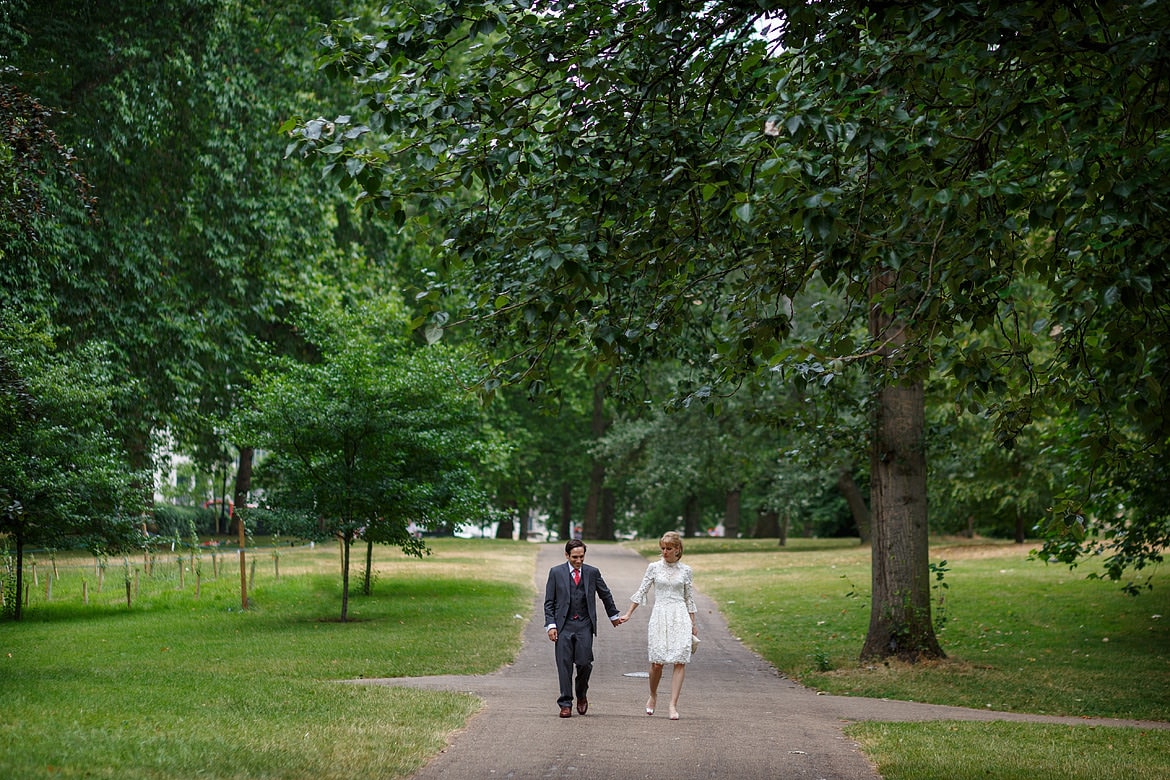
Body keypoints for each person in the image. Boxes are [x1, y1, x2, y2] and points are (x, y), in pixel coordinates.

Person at [620, 531, 697, 721]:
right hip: (660, 614)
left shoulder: (686, 571)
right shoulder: (654, 568)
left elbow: (689, 598)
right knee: (657, 662)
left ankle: (673, 704)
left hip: (679, 615)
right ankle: (653, 695)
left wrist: (693, 623)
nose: (665, 552)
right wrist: (629, 613)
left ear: (678, 549)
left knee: (680, 659)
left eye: (669, 549)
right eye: (662, 548)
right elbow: (642, 590)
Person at [544, 539, 624, 718]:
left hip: (584, 624)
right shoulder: (556, 572)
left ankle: (581, 694)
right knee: (564, 665)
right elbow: (549, 602)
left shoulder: (592, 572)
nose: (578, 561)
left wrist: (613, 616)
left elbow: (605, 594)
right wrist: (551, 625)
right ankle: (565, 703)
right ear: (567, 555)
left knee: (584, 663)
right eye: (575, 557)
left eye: (581, 557)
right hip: (563, 624)